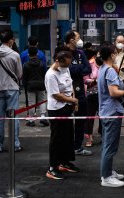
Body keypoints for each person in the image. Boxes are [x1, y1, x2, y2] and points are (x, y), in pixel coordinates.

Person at [97, 44, 124, 187]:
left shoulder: (103, 69)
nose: (116, 55)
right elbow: (113, 93)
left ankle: (107, 171)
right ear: (111, 55)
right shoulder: (110, 71)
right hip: (111, 112)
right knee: (110, 145)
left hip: (106, 111)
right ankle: (106, 177)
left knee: (108, 144)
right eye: (115, 53)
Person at [45, 50, 80, 180]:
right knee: (56, 138)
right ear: (58, 61)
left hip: (67, 106)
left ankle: (64, 162)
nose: (67, 67)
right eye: (65, 64)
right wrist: (73, 100)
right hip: (56, 109)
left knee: (68, 135)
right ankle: (52, 167)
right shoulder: (50, 75)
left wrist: (73, 100)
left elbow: (70, 86)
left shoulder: (65, 68)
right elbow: (56, 95)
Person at [0, 29, 23, 153]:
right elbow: (19, 74)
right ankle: (15, 144)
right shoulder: (15, 55)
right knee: (13, 117)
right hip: (12, 89)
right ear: (11, 41)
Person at [65, 30, 93, 156]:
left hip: (80, 90)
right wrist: (77, 69)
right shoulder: (62, 52)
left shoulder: (81, 53)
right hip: (65, 92)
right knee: (67, 121)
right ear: (71, 39)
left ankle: (78, 146)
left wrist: (73, 69)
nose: (80, 39)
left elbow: (88, 69)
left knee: (81, 119)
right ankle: (68, 147)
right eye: (78, 37)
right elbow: (64, 69)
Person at [22, 46, 49, 127]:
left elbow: (24, 77)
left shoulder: (26, 65)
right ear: (37, 54)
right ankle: (43, 117)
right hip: (41, 84)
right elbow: (45, 74)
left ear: (28, 54)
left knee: (31, 102)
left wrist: (25, 86)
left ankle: (31, 120)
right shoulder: (41, 64)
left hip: (30, 85)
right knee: (42, 101)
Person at [84, 46, 102, 147]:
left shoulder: (105, 65)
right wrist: (94, 80)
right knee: (90, 116)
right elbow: (85, 79)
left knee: (103, 116)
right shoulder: (90, 64)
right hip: (91, 93)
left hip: (103, 94)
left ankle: (103, 135)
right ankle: (89, 137)